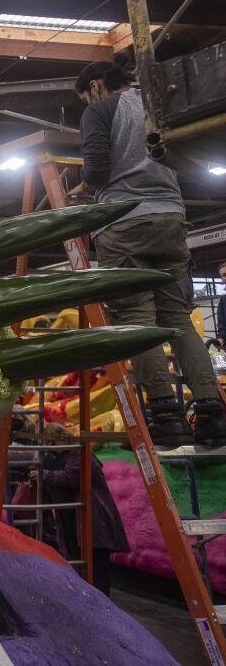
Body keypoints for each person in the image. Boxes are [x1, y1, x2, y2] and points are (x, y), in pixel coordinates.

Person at [70, 58, 226, 447]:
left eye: (85, 98)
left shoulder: (100, 110)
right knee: (178, 320)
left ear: (96, 85)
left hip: (124, 223)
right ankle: (211, 412)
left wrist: (82, 190)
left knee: (137, 321)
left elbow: (96, 167)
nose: (87, 104)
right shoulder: (158, 104)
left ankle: (166, 415)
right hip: (172, 219)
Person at [29, 424, 130, 596]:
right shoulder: (67, 455)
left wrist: (43, 475)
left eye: (53, 443)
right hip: (76, 518)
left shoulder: (79, 453)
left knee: (95, 564)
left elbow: (72, 477)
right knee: (81, 561)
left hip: (93, 517)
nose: (51, 448)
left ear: (62, 438)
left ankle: (100, 602)